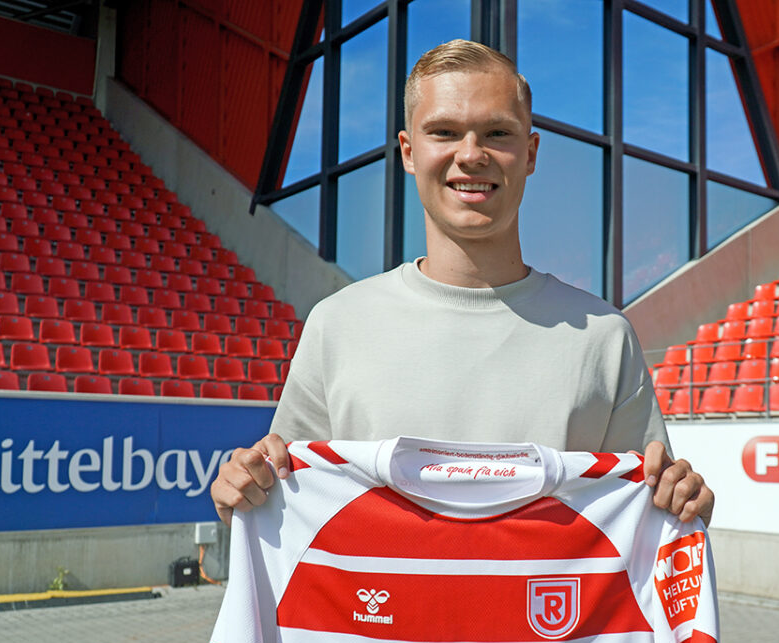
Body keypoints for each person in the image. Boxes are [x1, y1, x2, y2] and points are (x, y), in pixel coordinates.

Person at [211, 39, 713, 527]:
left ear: (530, 153)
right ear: (409, 151)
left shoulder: (604, 338)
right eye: (445, 131)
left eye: (497, 132)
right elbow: (286, 503)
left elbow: (645, 518)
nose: (471, 154)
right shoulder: (337, 325)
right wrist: (245, 489)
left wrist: (681, 506)